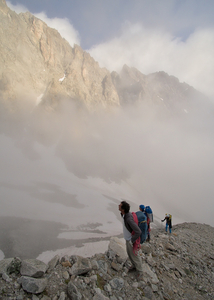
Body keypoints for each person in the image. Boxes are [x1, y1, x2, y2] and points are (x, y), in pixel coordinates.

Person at [118, 201, 143, 276]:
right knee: (130, 253)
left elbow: (138, 231)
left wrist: (132, 240)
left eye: (120, 205)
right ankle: (134, 266)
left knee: (134, 255)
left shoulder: (128, 218)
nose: (118, 205)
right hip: (128, 239)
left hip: (130, 239)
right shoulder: (124, 214)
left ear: (123, 209)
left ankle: (140, 271)